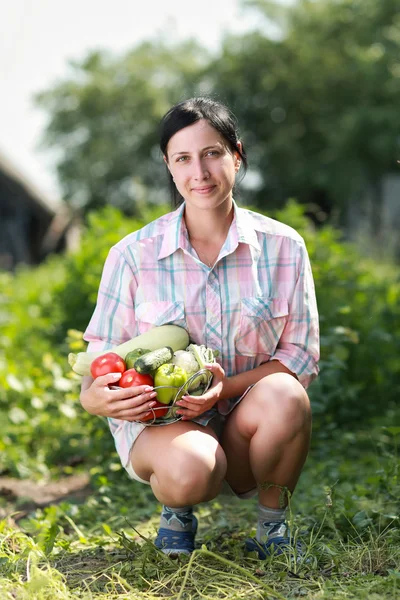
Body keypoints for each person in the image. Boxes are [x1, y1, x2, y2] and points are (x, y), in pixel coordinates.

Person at [80, 96, 320, 559]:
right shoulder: (133, 254)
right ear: (169, 168)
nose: (200, 172)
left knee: (288, 396)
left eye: (212, 153)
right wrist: (93, 397)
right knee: (191, 469)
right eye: (183, 159)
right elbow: (101, 357)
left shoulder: (283, 247)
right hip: (163, 425)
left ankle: (273, 529)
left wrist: (224, 387)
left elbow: (299, 357)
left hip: (245, 422)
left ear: (237, 154)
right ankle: (178, 511)